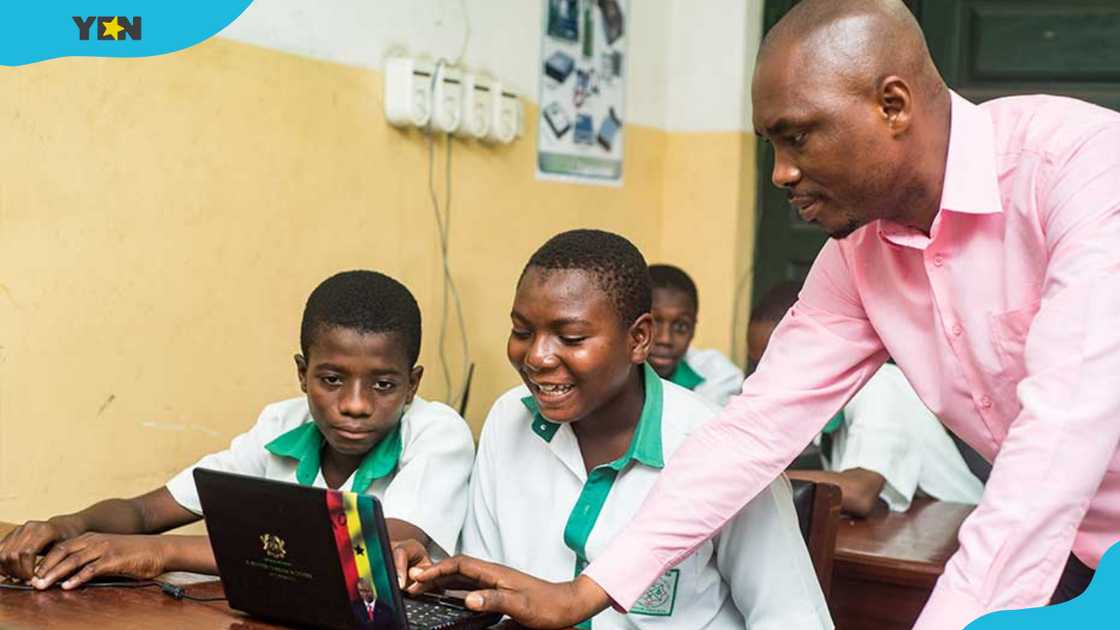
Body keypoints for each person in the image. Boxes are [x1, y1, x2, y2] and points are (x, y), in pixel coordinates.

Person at [407, 1, 1120, 627]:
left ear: (893, 105)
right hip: (1073, 550)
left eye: (798, 135)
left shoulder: (1083, 170)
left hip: (1050, 526)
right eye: (771, 145)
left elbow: (1056, 442)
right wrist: (589, 591)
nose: (780, 172)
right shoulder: (858, 255)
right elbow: (750, 433)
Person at [409, 230, 831, 629]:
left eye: (571, 337)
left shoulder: (719, 448)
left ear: (639, 339)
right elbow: (491, 587)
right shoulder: (510, 419)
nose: (536, 357)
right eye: (522, 331)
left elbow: (793, 619)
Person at [0, 270, 475, 591]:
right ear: (302, 373)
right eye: (331, 380)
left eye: (384, 384)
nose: (354, 405)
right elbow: (147, 512)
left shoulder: (438, 435)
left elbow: (362, 555)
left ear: (412, 385)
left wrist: (161, 553)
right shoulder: (281, 424)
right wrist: (65, 526)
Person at [752, 281, 984, 516]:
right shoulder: (822, 403)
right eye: (757, 365)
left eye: (774, 361)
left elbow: (859, 492)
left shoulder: (880, 384)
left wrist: (755, 480)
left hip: (957, 527)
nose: (764, 376)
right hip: (906, 529)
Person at [647, 264, 744, 406]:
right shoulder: (611, 374)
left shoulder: (716, 377)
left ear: (693, 328)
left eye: (681, 326)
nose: (665, 339)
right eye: (654, 323)